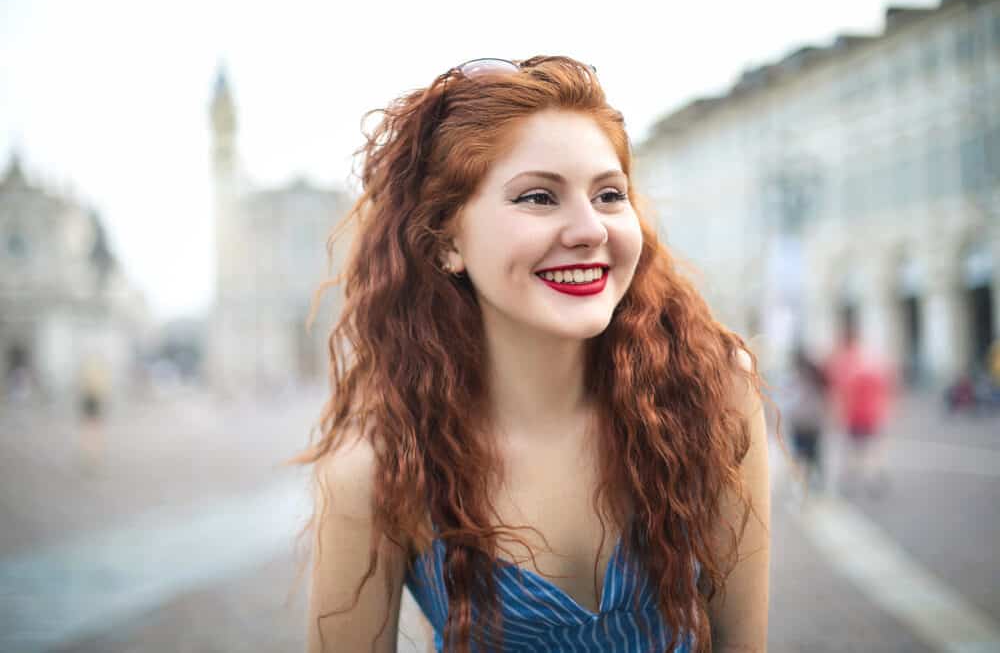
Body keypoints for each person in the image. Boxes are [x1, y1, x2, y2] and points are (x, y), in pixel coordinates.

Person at [296, 56, 770, 652]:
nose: (590, 230)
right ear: (446, 243)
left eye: (609, 195)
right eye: (540, 197)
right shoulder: (378, 471)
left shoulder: (714, 394)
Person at [826, 325, 894, 498]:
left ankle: (854, 479)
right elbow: (885, 384)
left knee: (854, 449)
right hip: (873, 412)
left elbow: (840, 391)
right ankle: (873, 477)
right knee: (871, 447)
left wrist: (838, 414)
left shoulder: (843, 363)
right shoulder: (871, 359)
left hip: (855, 414)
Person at [784, 346, 828, 498]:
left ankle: (802, 485)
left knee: (801, 456)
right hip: (812, 424)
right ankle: (812, 485)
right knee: (813, 455)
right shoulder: (816, 379)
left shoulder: (795, 379)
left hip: (801, 424)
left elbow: (788, 402)